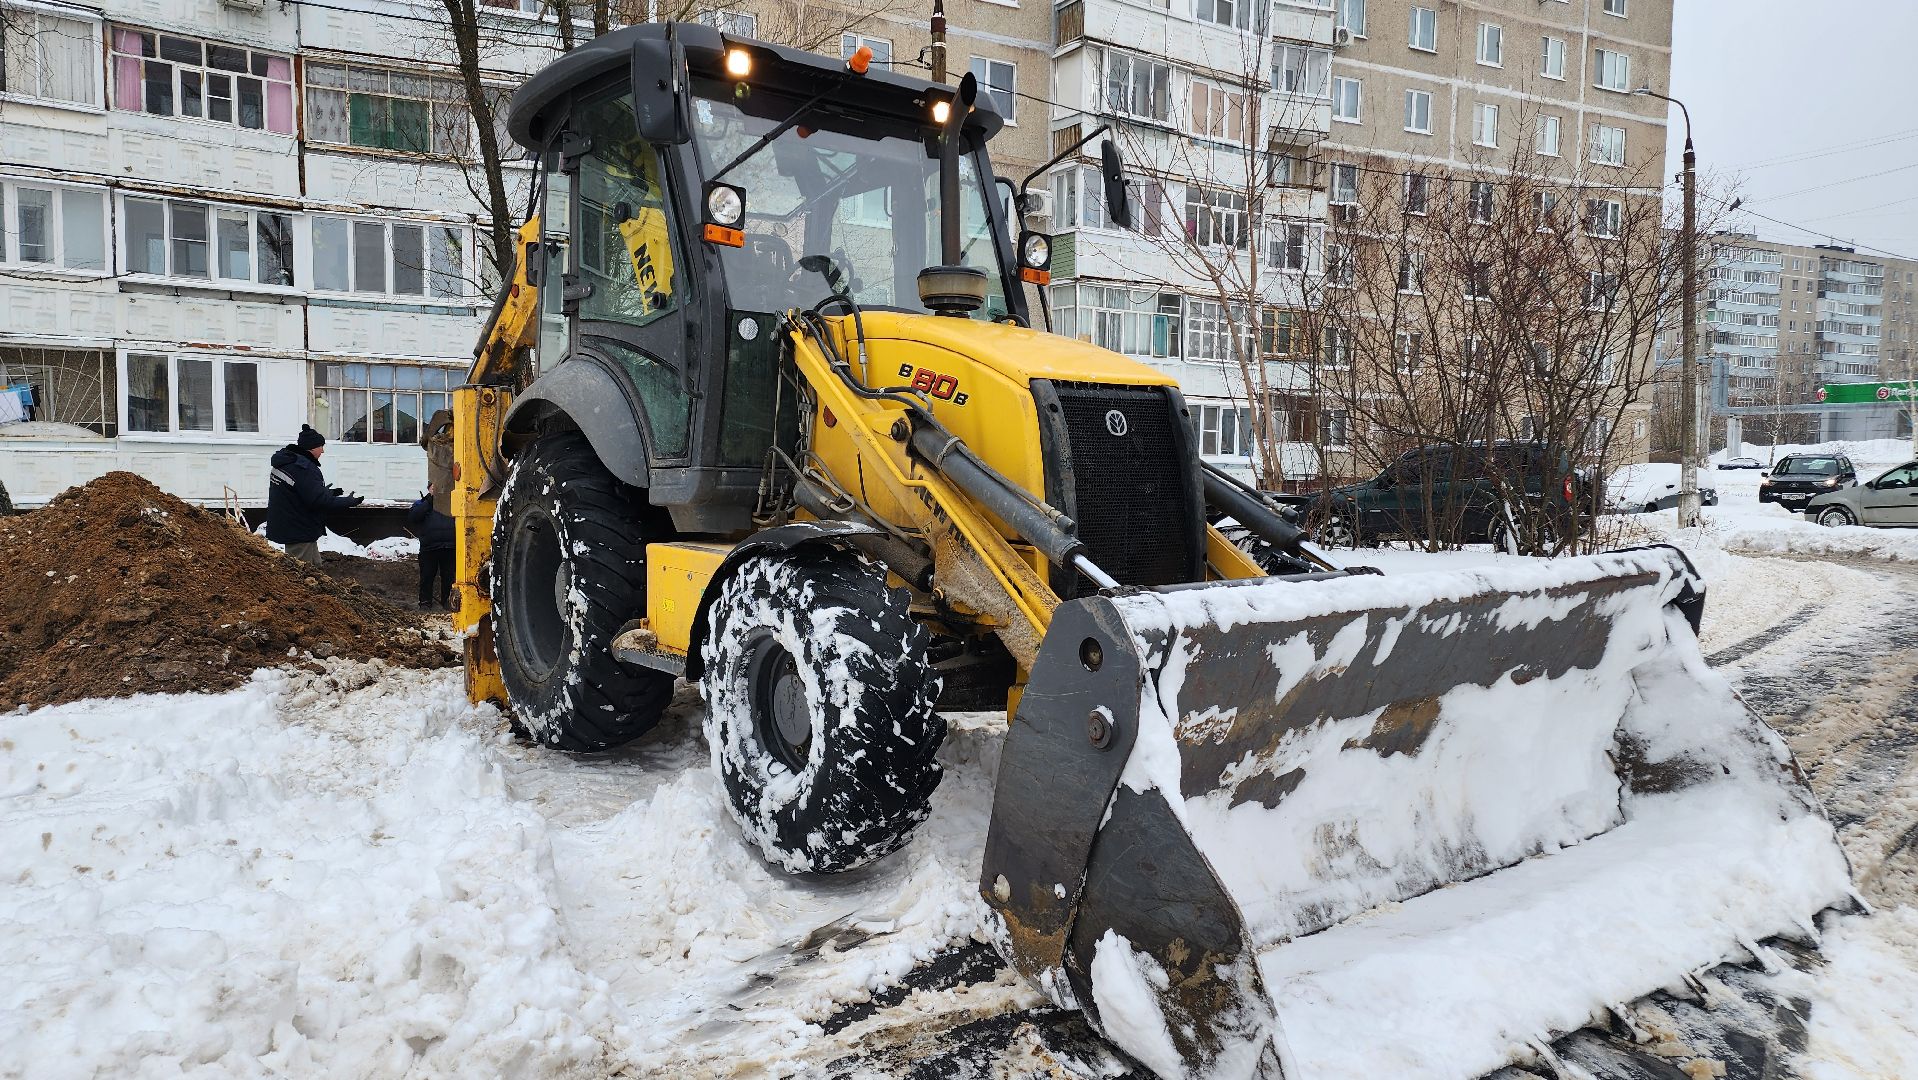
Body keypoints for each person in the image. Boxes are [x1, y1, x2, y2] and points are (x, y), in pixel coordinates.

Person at [267, 425, 361, 566]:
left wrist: (328, 492)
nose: (322, 450)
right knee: (300, 571)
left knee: (315, 567)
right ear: (311, 448)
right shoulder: (303, 467)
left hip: (293, 524)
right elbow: (317, 500)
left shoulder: (287, 461)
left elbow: (300, 492)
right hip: (298, 529)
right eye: (321, 446)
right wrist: (347, 501)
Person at [408, 488, 457, 610]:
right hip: (429, 548)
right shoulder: (422, 503)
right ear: (429, 489)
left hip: (450, 546)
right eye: (433, 487)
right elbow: (413, 517)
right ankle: (425, 602)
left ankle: (447, 602)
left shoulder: (452, 501)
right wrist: (429, 502)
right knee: (427, 576)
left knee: (449, 577)